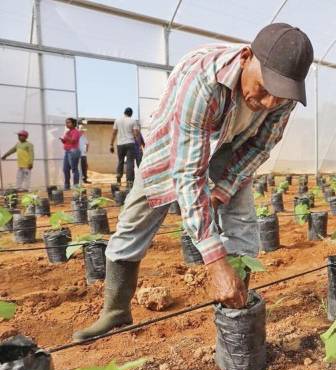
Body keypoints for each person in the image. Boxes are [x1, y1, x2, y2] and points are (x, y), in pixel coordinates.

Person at [73, 23, 313, 341]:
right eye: (264, 88)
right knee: (134, 221)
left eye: (280, 94)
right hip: (175, 140)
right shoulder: (203, 79)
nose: (270, 102)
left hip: (232, 146)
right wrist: (214, 262)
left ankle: (236, 306)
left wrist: (223, 190)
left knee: (241, 220)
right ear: (245, 57)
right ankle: (116, 311)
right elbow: (188, 174)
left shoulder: (284, 95)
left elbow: (261, 146)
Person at [111, 107, 140, 187]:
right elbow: (136, 133)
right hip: (130, 143)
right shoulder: (133, 121)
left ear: (124, 112)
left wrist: (111, 144)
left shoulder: (117, 120)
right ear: (131, 114)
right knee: (130, 162)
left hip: (120, 144)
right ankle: (129, 182)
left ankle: (118, 180)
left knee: (120, 161)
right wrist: (137, 140)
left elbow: (114, 133)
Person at [60, 118, 81, 190]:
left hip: (73, 151)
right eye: (66, 123)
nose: (67, 124)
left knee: (74, 169)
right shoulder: (67, 132)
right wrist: (63, 140)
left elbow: (73, 141)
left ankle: (76, 186)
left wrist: (66, 137)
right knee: (65, 169)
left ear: (74, 124)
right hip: (67, 151)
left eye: (69, 122)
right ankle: (67, 186)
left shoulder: (76, 132)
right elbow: (66, 142)